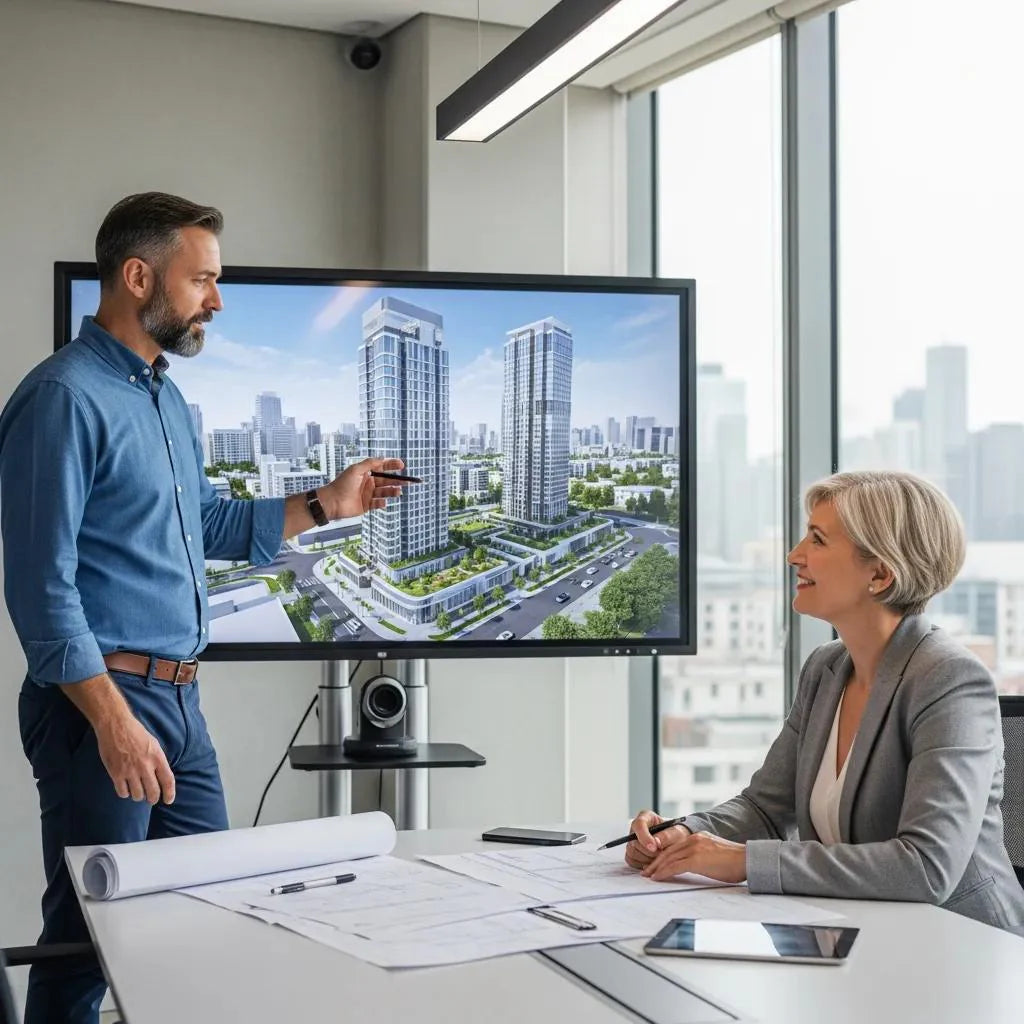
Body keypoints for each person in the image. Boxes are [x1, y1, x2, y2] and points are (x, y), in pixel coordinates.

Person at [0, 192, 409, 1024]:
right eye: (204, 281)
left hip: (179, 702)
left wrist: (327, 504)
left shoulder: (163, 401)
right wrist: (114, 722)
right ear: (139, 275)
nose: (216, 302)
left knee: (207, 912)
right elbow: (41, 585)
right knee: (87, 938)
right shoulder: (63, 399)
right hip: (100, 706)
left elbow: (210, 524)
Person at [626, 470, 1024, 933]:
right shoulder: (827, 668)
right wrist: (685, 834)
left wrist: (743, 862)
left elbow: (926, 867)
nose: (794, 555)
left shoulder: (949, 679)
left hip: (963, 944)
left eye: (816, 539)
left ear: (879, 573)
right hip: (858, 929)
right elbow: (765, 809)